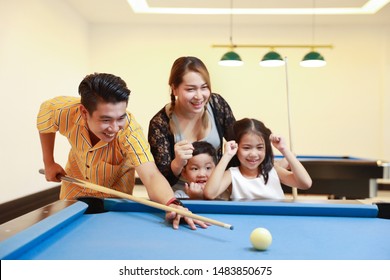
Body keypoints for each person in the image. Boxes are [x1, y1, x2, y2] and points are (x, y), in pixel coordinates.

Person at [37, 72, 208, 230]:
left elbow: (150, 175)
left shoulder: (130, 131)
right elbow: (45, 117)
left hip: (115, 198)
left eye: (120, 118)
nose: (114, 128)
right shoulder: (63, 111)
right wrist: (49, 162)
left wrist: (173, 204)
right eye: (105, 120)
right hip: (74, 187)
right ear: (84, 112)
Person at [148, 56, 236, 198]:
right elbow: (160, 179)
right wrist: (177, 163)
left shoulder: (217, 104)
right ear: (174, 89)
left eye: (204, 87)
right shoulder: (159, 124)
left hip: (216, 191)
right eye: (190, 89)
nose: (199, 96)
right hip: (180, 195)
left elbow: (238, 148)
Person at [203, 118, 312, 200]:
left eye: (259, 147)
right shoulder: (232, 174)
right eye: (246, 148)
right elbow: (209, 193)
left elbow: (305, 183)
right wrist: (227, 155)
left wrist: (284, 149)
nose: (254, 154)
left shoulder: (273, 171)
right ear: (236, 148)